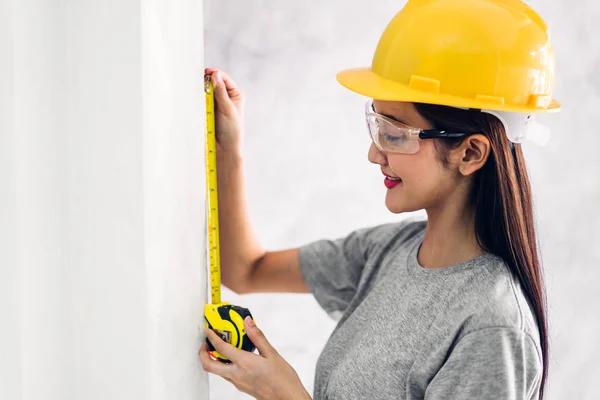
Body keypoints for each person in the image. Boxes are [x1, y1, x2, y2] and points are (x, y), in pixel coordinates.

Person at [199, 0, 561, 398]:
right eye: (377, 126)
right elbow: (245, 270)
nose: (375, 153)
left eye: (395, 133)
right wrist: (229, 148)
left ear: (470, 153)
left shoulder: (494, 328)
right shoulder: (388, 252)